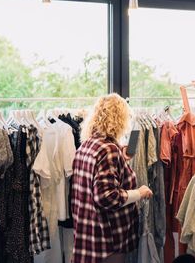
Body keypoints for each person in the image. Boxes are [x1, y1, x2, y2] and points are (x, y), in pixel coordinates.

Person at [71, 93, 153, 263]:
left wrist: (120, 158)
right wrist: (139, 193)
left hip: (87, 233)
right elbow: (107, 197)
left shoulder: (87, 145)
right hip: (108, 238)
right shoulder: (108, 150)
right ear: (119, 119)